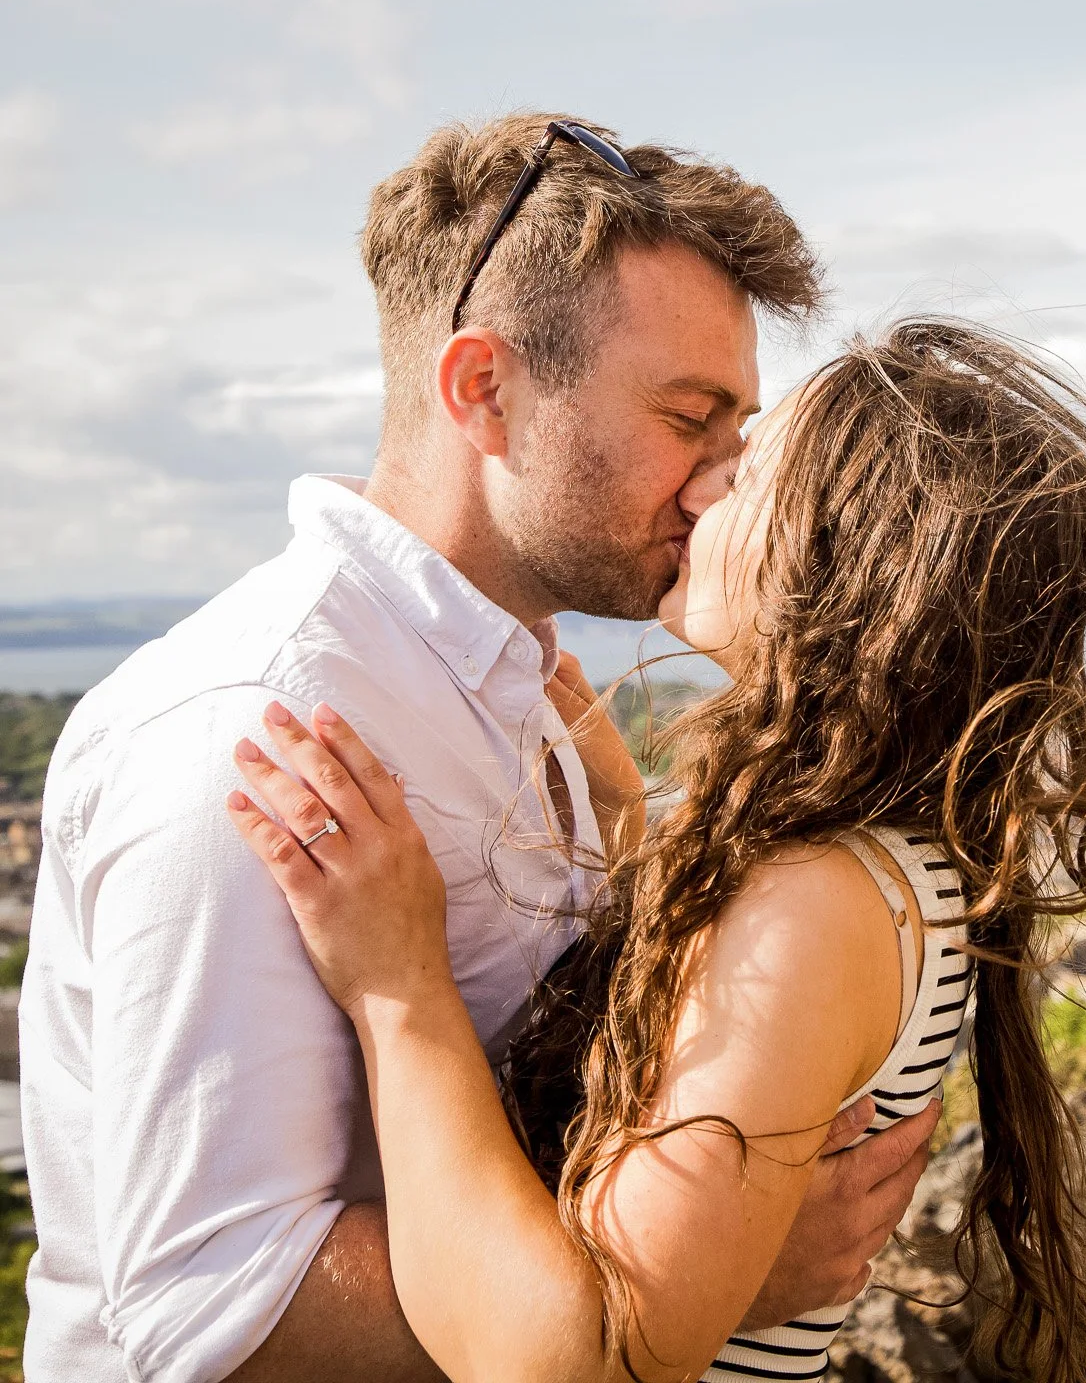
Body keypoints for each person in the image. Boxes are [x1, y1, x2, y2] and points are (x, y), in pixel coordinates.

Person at [19, 114, 938, 1382]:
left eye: (738, 434)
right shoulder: (260, 729)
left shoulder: (521, 688)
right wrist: (701, 1274)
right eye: (690, 417)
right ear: (483, 391)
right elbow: (209, 1317)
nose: (723, 485)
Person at [221, 318, 1086, 1383]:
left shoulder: (817, 897)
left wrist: (396, 987)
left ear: (851, 560)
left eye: (744, 476)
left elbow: (573, 1368)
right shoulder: (869, 867)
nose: (697, 490)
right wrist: (629, 849)